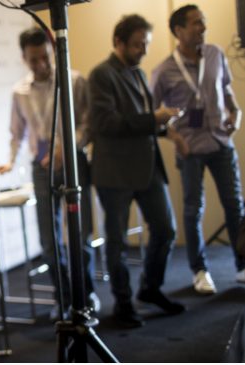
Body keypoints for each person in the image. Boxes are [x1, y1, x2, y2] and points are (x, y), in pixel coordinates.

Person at [0, 27, 100, 319]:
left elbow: (88, 124)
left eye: (44, 58)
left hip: (74, 164)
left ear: (53, 52)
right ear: (24, 58)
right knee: (49, 241)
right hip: (42, 169)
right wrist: (11, 162)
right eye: (33, 60)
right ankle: (63, 300)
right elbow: (17, 132)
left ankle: (86, 294)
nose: (40, 65)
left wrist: (68, 146)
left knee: (81, 235)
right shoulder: (20, 91)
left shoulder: (74, 80)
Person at [88, 14, 186, 328]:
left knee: (166, 229)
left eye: (146, 43)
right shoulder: (101, 75)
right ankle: (123, 303)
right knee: (116, 243)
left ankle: (150, 289)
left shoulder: (140, 73)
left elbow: (140, 122)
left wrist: (164, 129)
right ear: (118, 42)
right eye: (137, 44)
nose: (143, 49)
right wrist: (154, 119)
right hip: (114, 172)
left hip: (147, 168)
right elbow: (106, 124)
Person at [151, 4, 245, 295]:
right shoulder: (164, 70)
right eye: (196, 24)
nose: (203, 28)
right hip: (190, 148)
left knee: (235, 205)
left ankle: (242, 265)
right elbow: (151, 116)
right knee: (193, 210)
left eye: (203, 23)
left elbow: (227, 91)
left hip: (220, 142)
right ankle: (199, 270)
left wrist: (236, 114)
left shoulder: (216, 54)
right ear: (179, 30)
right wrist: (174, 137)